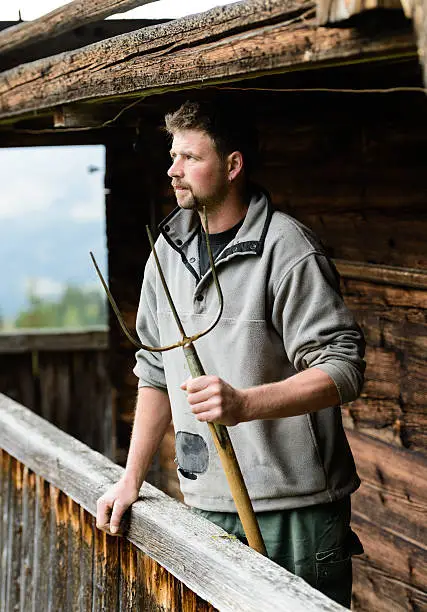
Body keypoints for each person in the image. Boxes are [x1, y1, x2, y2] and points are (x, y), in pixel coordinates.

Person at [96, 99, 365, 608]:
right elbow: (155, 372)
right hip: (205, 502)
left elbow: (343, 367)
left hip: (295, 510)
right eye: (172, 156)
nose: (173, 171)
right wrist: (130, 478)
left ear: (233, 165)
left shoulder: (286, 248)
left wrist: (245, 405)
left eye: (190, 158)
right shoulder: (167, 251)